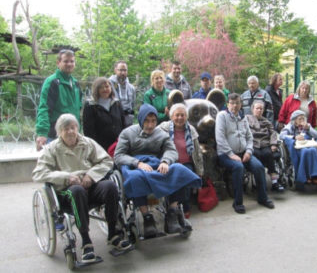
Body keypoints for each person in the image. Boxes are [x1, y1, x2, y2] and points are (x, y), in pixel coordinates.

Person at [32, 114, 132, 264]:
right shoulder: (52, 149)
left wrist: (91, 176)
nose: (71, 132)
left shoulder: (87, 143)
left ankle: (113, 233)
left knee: (110, 187)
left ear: (77, 128)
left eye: (73, 127)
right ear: (59, 132)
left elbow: (106, 161)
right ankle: (86, 242)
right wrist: (67, 177)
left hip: (89, 183)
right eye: (66, 129)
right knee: (77, 192)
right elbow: (38, 173)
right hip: (67, 191)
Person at [114, 104, 201, 238]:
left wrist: (166, 161)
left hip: (156, 164)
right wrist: (137, 163)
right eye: (147, 121)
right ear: (141, 119)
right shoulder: (127, 133)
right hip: (135, 165)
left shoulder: (161, 133)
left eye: (153, 121)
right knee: (135, 178)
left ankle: (172, 212)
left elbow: (171, 150)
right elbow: (118, 156)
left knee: (179, 170)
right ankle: (147, 217)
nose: (150, 125)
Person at [216, 93, 274, 214]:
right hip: (225, 154)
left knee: (259, 167)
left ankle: (263, 198)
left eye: (237, 103)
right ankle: (238, 203)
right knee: (238, 167)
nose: (235, 106)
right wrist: (231, 154)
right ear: (228, 104)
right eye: (232, 103)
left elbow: (249, 137)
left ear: (241, 104)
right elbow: (220, 138)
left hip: (243, 152)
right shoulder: (222, 116)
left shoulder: (243, 118)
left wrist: (248, 151)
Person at [159, 103, 204, 217]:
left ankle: (184, 206)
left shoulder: (191, 130)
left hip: (186, 162)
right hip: (170, 163)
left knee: (184, 177)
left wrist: (200, 171)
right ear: (171, 116)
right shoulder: (163, 128)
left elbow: (197, 152)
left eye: (182, 115)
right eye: (177, 115)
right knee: (173, 178)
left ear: (186, 116)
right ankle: (173, 206)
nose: (180, 118)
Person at [35, 49, 82, 151]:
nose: (69, 64)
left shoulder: (75, 84)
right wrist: (42, 133)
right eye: (66, 61)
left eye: (72, 61)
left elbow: (78, 111)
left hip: (73, 134)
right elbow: (44, 108)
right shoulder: (52, 82)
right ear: (58, 63)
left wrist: (79, 132)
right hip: (54, 135)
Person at [246, 100, 284, 193]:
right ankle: (257, 183)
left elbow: (273, 133)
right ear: (252, 109)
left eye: (261, 109)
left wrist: (273, 144)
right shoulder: (246, 119)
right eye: (257, 108)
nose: (259, 110)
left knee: (268, 154)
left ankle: (275, 182)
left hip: (264, 143)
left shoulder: (266, 121)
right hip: (253, 143)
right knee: (257, 155)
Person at [279, 110, 317, 187]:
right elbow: (281, 136)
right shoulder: (289, 126)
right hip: (297, 147)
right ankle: (305, 176)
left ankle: (315, 176)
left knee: (313, 150)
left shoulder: (307, 126)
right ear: (294, 120)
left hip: (308, 144)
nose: (302, 121)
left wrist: (309, 129)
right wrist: (294, 137)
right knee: (305, 151)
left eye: (303, 119)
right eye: (300, 119)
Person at [82, 77, 126, 151]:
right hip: (100, 146)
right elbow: (88, 130)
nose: (105, 89)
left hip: (117, 144)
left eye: (107, 86)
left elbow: (123, 123)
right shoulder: (90, 105)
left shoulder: (116, 103)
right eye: (101, 87)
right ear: (96, 89)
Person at [109, 60, 136, 126]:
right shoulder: (108, 85)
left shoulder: (131, 88)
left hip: (128, 121)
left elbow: (133, 104)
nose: (123, 73)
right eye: (120, 70)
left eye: (125, 70)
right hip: (113, 121)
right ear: (115, 70)